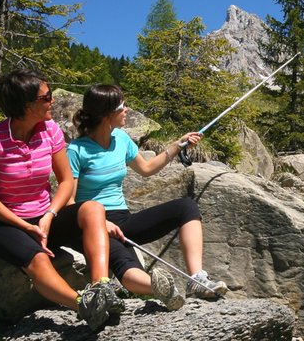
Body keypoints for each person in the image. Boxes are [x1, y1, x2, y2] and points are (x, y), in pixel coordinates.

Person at [0, 69, 124, 331]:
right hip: (4, 223)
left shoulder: (50, 130)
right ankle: (83, 304)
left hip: (45, 218)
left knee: (92, 209)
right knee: (39, 259)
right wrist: (25, 226)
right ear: (26, 105)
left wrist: (49, 215)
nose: (52, 101)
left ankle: (101, 288)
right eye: (46, 97)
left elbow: (66, 181)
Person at [67, 84, 228, 311]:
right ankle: (164, 290)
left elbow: (146, 168)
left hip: (123, 219)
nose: (127, 110)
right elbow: (69, 202)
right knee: (125, 262)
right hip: (93, 225)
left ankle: (196, 279)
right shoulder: (76, 151)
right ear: (106, 114)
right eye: (122, 106)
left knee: (186, 207)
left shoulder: (121, 139)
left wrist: (175, 146)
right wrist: (101, 223)